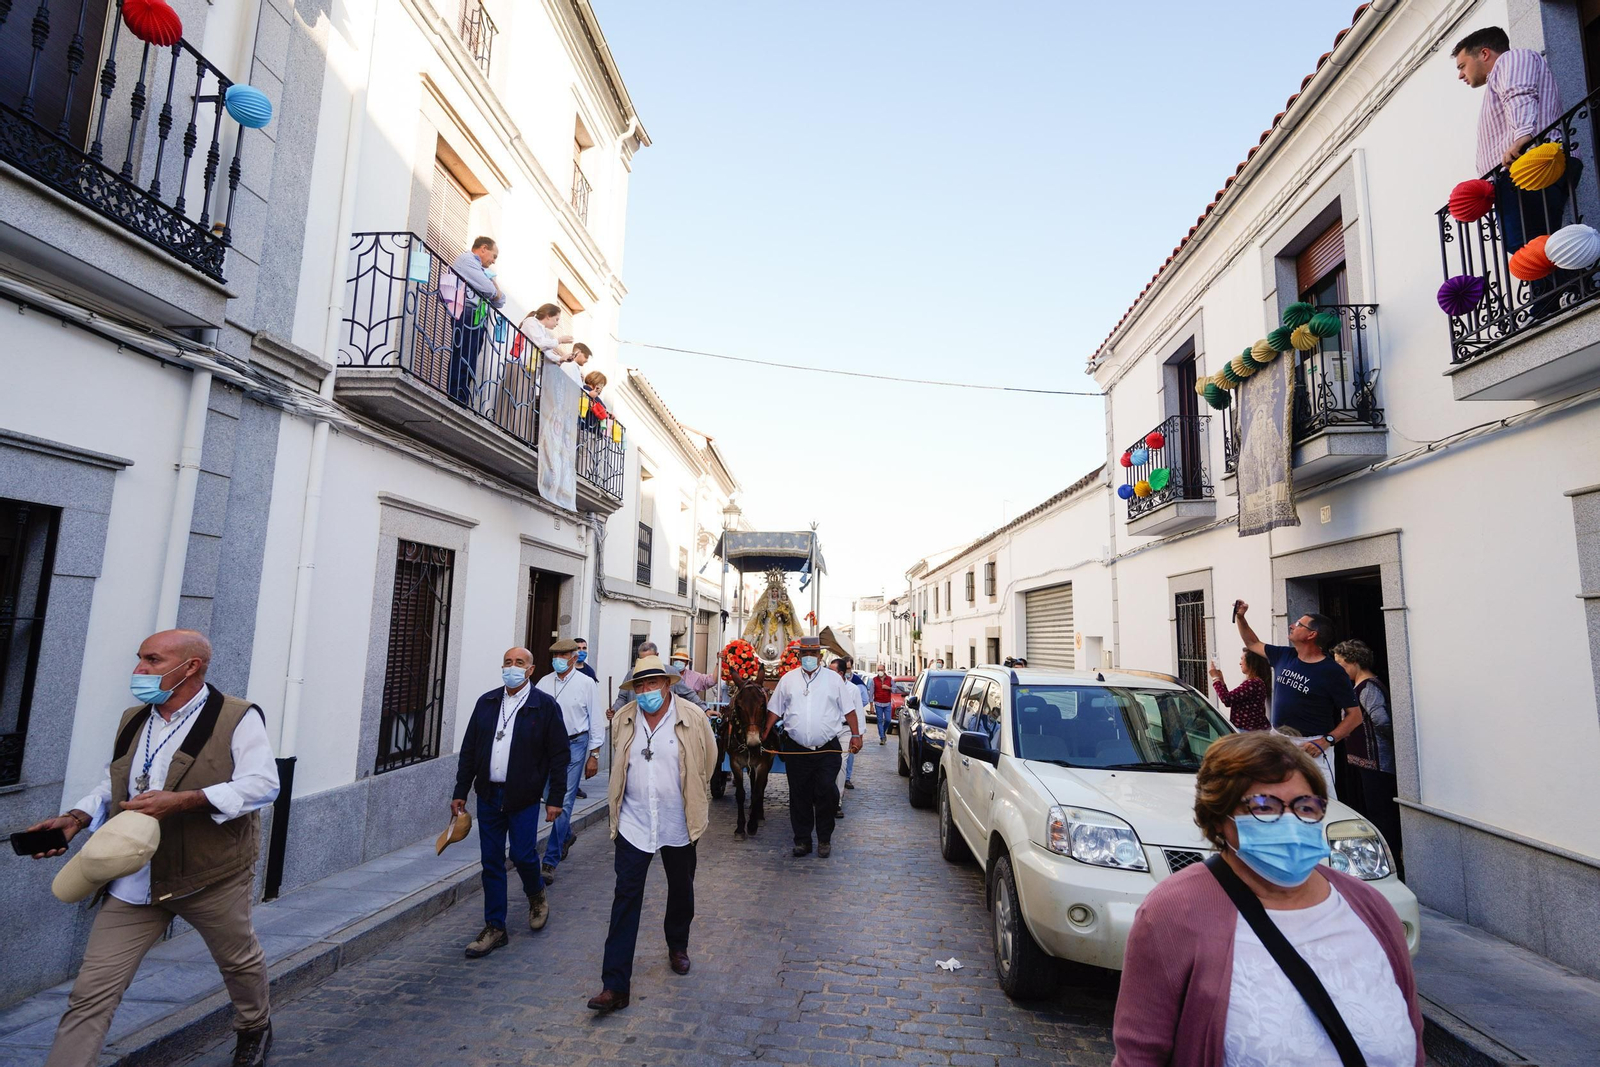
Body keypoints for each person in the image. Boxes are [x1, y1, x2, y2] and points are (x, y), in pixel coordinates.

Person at [25, 629, 280, 1067]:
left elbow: (263, 785)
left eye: (152, 660)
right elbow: (116, 780)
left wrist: (185, 801)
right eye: (140, 659)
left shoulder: (237, 716)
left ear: (190, 666)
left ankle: (254, 1025)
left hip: (209, 873)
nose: (138, 670)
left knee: (238, 962)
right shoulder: (133, 718)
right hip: (134, 879)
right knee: (91, 994)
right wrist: (77, 818)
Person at [1112, 731, 1421, 1066]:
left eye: (1305, 806)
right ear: (1220, 819)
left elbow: (1413, 1033)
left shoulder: (1369, 906)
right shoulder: (1173, 913)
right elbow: (1139, 1055)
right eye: (1264, 807)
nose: (1289, 822)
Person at [586, 655, 716, 1013]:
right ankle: (615, 986)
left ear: (667, 684)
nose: (645, 692)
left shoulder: (693, 718)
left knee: (681, 888)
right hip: (634, 822)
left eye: (652, 684)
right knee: (625, 898)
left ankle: (677, 944)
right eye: (639, 686)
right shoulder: (625, 720)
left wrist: (694, 797)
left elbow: (709, 761)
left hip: (678, 821)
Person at [452, 648, 568, 959]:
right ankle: (495, 927)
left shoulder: (544, 706)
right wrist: (460, 791)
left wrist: (555, 798)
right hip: (489, 795)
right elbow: (469, 750)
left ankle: (535, 894)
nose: (512, 668)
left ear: (530, 670)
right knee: (491, 860)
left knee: (522, 854)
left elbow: (559, 756)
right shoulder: (487, 702)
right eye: (508, 662)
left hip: (524, 796)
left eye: (519, 663)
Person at [1453, 26, 1568, 255]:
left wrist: (1522, 137)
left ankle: (1562, 287)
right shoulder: (1499, 77)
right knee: (1526, 245)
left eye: (1462, 66)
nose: (1460, 75)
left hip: (1526, 167)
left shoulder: (1510, 59)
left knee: (1526, 243)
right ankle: (1557, 288)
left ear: (1484, 54)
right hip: (1520, 171)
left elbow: (1518, 94)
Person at [1234, 601, 1361, 799]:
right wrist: (1240, 618)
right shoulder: (1284, 655)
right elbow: (1252, 643)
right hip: (1279, 741)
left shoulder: (1332, 671)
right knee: (1275, 796)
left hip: (1311, 747)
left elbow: (1355, 716)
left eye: (1300, 624)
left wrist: (1326, 741)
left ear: (1312, 635)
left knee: (1317, 802)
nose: (1293, 626)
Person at [765, 637, 863, 858]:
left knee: (826, 792)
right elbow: (774, 710)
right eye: (805, 653)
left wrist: (856, 735)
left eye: (813, 653)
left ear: (820, 656)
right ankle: (802, 840)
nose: (809, 657)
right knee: (799, 795)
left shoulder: (834, 680)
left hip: (827, 748)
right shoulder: (788, 680)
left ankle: (825, 839)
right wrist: (764, 734)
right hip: (796, 749)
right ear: (799, 656)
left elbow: (849, 710)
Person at [535, 639, 604, 885]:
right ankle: (566, 835)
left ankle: (550, 861)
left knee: (563, 800)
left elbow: (595, 719)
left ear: (574, 658)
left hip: (575, 744)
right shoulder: (544, 682)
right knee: (545, 792)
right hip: (546, 747)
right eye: (555, 655)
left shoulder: (586, 684)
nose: (559, 659)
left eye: (564, 655)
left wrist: (594, 756)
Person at [1332, 639, 1403, 867]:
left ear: (1355, 663)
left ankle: (1390, 859)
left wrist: (1393, 746)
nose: (1340, 671)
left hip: (1378, 762)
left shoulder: (1368, 687)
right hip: (1368, 762)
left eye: (1342, 665)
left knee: (1381, 812)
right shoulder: (1360, 686)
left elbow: (1381, 720)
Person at [442, 237, 507, 406]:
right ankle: (456, 396)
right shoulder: (467, 260)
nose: (493, 261)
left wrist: (493, 287)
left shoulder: (481, 269)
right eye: (494, 256)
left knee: (470, 358)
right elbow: (489, 290)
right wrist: (492, 288)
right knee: (463, 355)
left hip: (477, 317)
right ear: (483, 248)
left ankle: (461, 395)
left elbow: (500, 301)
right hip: (467, 313)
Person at [1208, 648, 1272, 732]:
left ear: (1251, 662)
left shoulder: (1254, 683)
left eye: (1242, 659)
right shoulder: (1255, 682)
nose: (1240, 663)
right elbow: (1230, 701)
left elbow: (1226, 699)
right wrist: (1221, 680)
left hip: (1249, 733)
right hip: (1249, 732)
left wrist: (1215, 678)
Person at [520, 302, 573, 367]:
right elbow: (540, 343)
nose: (557, 323)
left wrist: (561, 358)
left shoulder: (545, 333)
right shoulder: (531, 321)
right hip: (520, 363)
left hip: (530, 367)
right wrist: (560, 340)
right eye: (556, 319)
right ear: (548, 316)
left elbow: (547, 352)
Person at [871, 664, 894, 745]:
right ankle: (882, 737)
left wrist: (889, 688)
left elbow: (895, 690)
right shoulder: (874, 680)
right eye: (879, 670)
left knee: (888, 720)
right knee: (880, 720)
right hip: (878, 703)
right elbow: (871, 693)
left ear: (884, 670)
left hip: (887, 703)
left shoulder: (890, 679)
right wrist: (871, 706)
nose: (880, 672)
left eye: (881, 670)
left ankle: (882, 732)